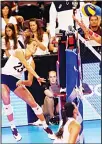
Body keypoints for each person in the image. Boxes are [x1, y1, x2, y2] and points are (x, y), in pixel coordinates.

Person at [1, 39, 55, 141]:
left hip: (15, 80)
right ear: (27, 45)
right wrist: (38, 76)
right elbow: (26, 65)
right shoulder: (19, 51)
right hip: (3, 76)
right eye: (33, 45)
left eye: (36, 47)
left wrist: (23, 82)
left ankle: (45, 127)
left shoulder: (32, 62)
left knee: (32, 103)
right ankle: (13, 128)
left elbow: (29, 82)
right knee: (6, 100)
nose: (35, 48)